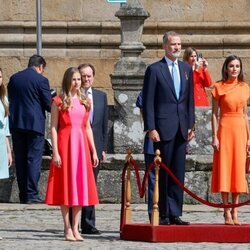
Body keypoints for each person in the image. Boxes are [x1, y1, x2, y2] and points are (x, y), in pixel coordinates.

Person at [142, 31, 195, 225]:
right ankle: (162, 213)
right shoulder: (155, 70)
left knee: (177, 171)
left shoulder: (186, 69)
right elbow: (148, 102)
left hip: (182, 127)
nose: (177, 48)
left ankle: (175, 212)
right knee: (162, 172)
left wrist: (191, 124)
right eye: (173, 44)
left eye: (179, 44)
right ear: (165, 46)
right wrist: (151, 128)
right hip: (162, 129)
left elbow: (189, 100)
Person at [45, 67, 99, 241]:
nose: (77, 82)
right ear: (68, 80)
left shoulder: (85, 102)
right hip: (65, 145)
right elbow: (53, 127)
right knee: (66, 186)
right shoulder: (58, 101)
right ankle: (67, 227)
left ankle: (76, 228)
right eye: (74, 79)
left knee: (80, 187)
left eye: (78, 79)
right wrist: (56, 152)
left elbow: (87, 127)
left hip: (81, 146)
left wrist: (94, 151)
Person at [211, 55, 249, 225]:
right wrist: (214, 136)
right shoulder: (218, 87)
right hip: (225, 129)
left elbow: (245, 114)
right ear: (226, 68)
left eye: (237, 66)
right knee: (225, 169)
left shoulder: (245, 87)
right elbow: (213, 114)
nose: (235, 69)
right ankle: (226, 210)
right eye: (232, 66)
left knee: (238, 170)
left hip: (240, 129)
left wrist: (249, 138)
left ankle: (235, 210)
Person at [8, 55, 51, 204]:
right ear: (40, 67)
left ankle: (23, 195)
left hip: (17, 123)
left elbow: (12, 97)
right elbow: (48, 104)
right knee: (33, 159)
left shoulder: (14, 78)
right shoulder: (41, 80)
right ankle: (32, 195)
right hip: (34, 125)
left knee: (20, 160)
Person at [78, 63, 108, 235]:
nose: (86, 79)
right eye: (83, 76)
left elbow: (103, 125)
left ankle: (88, 223)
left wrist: (102, 148)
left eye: (89, 76)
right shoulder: (73, 96)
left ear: (93, 77)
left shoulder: (101, 96)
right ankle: (73, 222)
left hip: (95, 148)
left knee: (91, 186)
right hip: (77, 146)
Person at [136, 91, 155, 221]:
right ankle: (154, 213)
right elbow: (143, 108)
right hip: (153, 139)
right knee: (153, 179)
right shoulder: (147, 91)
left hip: (171, 139)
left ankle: (171, 213)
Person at [0, 68, 12, 180]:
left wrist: (9, 151)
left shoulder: (4, 99)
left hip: (1, 142)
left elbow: (6, 129)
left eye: (0, 77)